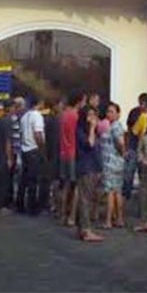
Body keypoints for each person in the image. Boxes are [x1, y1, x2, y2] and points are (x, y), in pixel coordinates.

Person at [76, 107, 105, 242]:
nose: (92, 118)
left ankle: (85, 227)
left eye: (94, 114)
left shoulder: (93, 131)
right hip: (86, 168)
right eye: (89, 115)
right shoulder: (81, 131)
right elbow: (90, 144)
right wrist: (93, 128)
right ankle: (85, 230)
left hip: (95, 167)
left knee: (89, 198)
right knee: (85, 199)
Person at [60, 92, 86, 226]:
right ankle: (72, 216)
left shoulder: (63, 114)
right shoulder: (75, 116)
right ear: (78, 102)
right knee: (77, 186)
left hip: (63, 152)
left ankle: (63, 214)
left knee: (66, 185)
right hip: (74, 152)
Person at [17, 96, 45, 215]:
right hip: (34, 149)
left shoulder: (24, 116)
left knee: (24, 179)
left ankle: (20, 204)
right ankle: (32, 207)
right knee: (33, 180)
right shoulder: (37, 116)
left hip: (25, 149)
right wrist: (42, 147)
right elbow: (38, 133)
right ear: (39, 103)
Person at [124, 93, 147, 201]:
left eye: (143, 103)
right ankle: (126, 197)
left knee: (144, 176)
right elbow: (131, 130)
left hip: (146, 149)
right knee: (129, 174)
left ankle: (144, 201)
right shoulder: (135, 112)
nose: (141, 105)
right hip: (134, 146)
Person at [100, 102, 126, 229]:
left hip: (112, 163)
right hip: (114, 162)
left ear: (118, 114)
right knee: (117, 191)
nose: (109, 114)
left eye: (112, 111)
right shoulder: (111, 126)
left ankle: (108, 219)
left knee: (110, 191)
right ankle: (119, 218)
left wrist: (121, 153)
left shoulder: (115, 127)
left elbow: (121, 143)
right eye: (108, 111)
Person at [0, 100, 15, 215]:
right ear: (10, 108)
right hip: (3, 155)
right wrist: (10, 158)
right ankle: (1, 206)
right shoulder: (8, 121)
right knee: (4, 181)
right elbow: (8, 141)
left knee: (0, 181)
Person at [43, 99, 61, 216]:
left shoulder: (47, 119)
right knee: (54, 179)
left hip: (50, 151)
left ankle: (51, 202)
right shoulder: (55, 120)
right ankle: (53, 203)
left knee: (51, 179)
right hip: (55, 152)